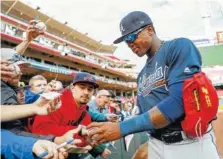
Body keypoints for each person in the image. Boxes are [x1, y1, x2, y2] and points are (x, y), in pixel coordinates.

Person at [87, 11, 221, 159]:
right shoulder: (141, 75)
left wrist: (122, 128)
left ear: (149, 30)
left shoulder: (178, 46)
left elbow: (178, 103)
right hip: (157, 144)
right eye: (126, 40)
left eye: (132, 36)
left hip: (189, 144)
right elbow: (144, 115)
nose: (129, 43)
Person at [32, 72, 111, 158]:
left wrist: (99, 149)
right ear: (72, 88)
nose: (86, 92)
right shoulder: (57, 101)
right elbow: (40, 130)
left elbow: (87, 136)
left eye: (90, 89)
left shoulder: (84, 110)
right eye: (82, 87)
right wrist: (80, 132)